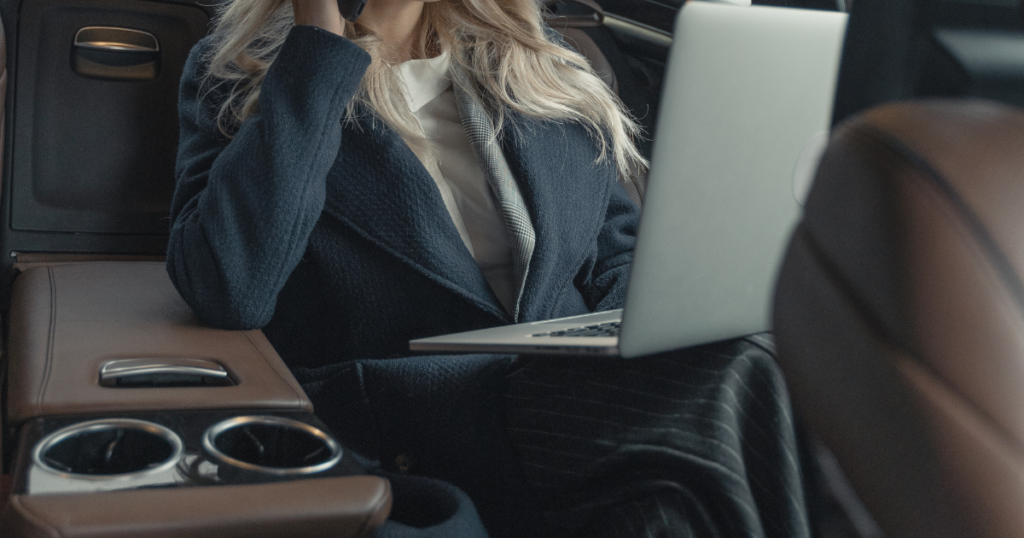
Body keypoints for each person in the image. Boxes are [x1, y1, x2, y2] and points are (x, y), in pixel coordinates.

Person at [167, 0, 812, 535]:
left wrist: (637, 332)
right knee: (735, 382)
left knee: (723, 416)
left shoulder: (538, 61)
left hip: (575, 385)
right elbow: (230, 286)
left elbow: (618, 245)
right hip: (414, 401)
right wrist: (318, 43)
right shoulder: (247, 67)